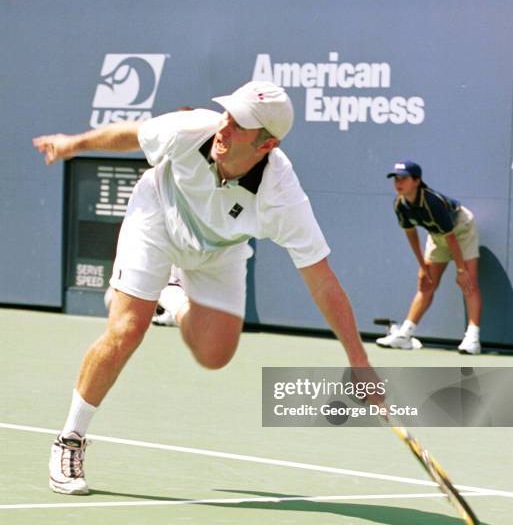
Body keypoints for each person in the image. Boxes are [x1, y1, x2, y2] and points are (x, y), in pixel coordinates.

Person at [33, 81, 372, 495]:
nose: (224, 128)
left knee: (215, 354)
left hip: (221, 247)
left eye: (239, 124)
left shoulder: (282, 197)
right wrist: (72, 145)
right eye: (228, 114)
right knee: (127, 329)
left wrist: (358, 360)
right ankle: (70, 437)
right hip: (159, 213)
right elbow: (131, 134)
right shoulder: (192, 129)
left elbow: (322, 281)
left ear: (266, 145)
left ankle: (172, 296)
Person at [376, 160, 482, 354]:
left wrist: (460, 270)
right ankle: (405, 336)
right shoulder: (400, 204)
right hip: (437, 235)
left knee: (469, 282)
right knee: (426, 284)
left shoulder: (432, 202)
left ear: (417, 181)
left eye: (404, 179)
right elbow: (411, 235)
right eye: (396, 179)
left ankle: (472, 339)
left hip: (461, 229)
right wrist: (422, 265)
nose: (398, 183)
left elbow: (451, 239)